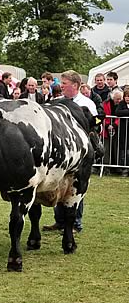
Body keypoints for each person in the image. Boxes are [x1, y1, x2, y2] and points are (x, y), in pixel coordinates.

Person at [43, 70, 98, 233]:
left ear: (75, 85)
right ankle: (59, 221)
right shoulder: (57, 102)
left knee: (76, 187)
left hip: (80, 151)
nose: (61, 86)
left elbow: (96, 121)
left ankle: (75, 223)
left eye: (64, 83)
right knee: (58, 184)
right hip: (61, 151)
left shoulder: (87, 103)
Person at [115, 88, 129, 176]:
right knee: (123, 149)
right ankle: (123, 168)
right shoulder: (121, 103)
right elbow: (118, 112)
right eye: (126, 96)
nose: (127, 98)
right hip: (123, 130)